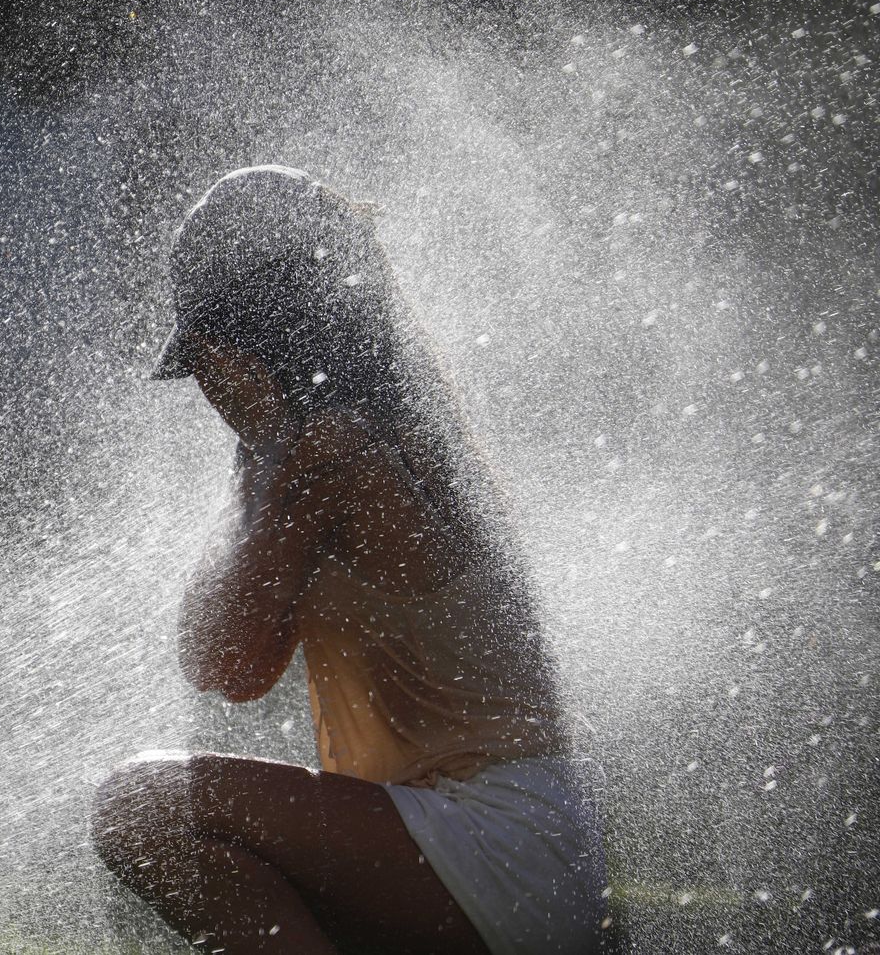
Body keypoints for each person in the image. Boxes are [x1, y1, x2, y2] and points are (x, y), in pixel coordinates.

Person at [90, 166, 608, 954]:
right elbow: (229, 660)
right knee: (190, 836)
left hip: (502, 845)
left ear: (257, 336)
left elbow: (224, 661)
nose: (205, 385)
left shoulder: (339, 458)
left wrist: (263, 453)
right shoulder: (328, 449)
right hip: (468, 847)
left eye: (204, 356)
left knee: (140, 804)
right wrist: (259, 458)